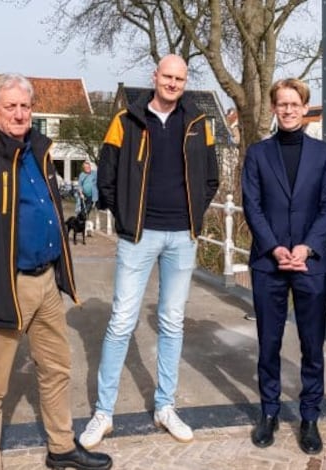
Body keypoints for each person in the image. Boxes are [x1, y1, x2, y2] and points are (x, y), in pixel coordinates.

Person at [0, 74, 112, 470]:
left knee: (56, 368)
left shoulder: (39, 151)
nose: (19, 114)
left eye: (25, 106)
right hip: (5, 288)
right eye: (10, 106)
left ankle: (61, 448)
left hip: (46, 283)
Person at [79, 54, 220, 448]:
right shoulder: (126, 120)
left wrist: (193, 215)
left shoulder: (198, 123)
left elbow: (211, 177)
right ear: (155, 77)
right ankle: (103, 413)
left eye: (180, 78)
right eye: (167, 76)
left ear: (184, 81)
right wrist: (125, 217)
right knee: (122, 321)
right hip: (138, 236)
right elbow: (106, 174)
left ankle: (165, 406)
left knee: (172, 321)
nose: (173, 83)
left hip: (182, 236)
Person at [241, 78, 326, 454]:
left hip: (311, 263)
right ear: (273, 108)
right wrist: (275, 248)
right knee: (269, 342)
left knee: (312, 344)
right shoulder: (257, 153)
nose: (287, 110)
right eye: (281, 104)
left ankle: (310, 416)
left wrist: (307, 247)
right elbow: (252, 205)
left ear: (304, 107)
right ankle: (268, 412)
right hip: (269, 263)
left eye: (294, 104)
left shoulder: (324, 154)